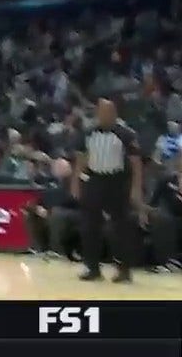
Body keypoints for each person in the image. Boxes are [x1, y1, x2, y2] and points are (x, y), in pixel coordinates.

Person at [73, 98, 143, 283]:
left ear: (114, 113)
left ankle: (124, 270)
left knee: (121, 227)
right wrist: (76, 182)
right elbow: (81, 158)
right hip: (94, 180)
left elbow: (136, 163)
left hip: (117, 182)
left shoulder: (126, 134)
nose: (104, 115)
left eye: (108, 111)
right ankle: (92, 268)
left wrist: (136, 187)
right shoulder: (88, 133)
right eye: (101, 111)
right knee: (89, 226)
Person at [24, 158, 80, 260]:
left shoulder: (75, 182)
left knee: (57, 213)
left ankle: (57, 251)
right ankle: (39, 249)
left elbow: (74, 201)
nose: (58, 169)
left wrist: (49, 210)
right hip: (53, 212)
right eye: (56, 166)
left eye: (61, 167)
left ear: (69, 169)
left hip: (75, 213)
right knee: (30, 211)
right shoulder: (49, 181)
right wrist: (37, 208)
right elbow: (41, 198)